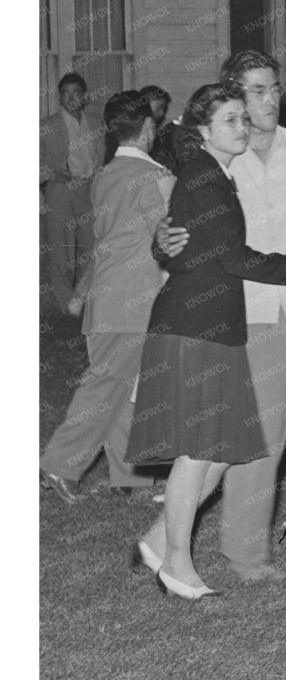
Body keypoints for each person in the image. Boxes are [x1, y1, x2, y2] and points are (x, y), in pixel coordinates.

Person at [130, 82, 286, 599]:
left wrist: (173, 245)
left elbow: (197, 246)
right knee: (202, 449)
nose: (243, 126)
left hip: (219, 323)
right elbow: (230, 257)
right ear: (202, 129)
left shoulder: (214, 172)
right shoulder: (206, 174)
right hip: (200, 325)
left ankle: (160, 543)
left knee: (221, 447)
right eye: (231, 119)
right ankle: (178, 563)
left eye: (243, 118)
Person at [40, 92, 173, 502]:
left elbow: (106, 241)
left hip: (108, 297)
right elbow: (167, 241)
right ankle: (58, 465)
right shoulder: (156, 178)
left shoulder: (105, 175)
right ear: (149, 128)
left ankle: (129, 476)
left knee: (126, 385)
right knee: (107, 385)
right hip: (136, 298)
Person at [42, 71, 101, 311]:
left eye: (76, 92)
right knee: (61, 248)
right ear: (59, 97)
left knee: (91, 243)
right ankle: (65, 303)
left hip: (88, 189)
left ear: (84, 96)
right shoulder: (46, 126)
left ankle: (83, 297)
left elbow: (100, 157)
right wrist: (52, 174)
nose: (70, 98)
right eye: (65, 93)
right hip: (61, 190)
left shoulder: (96, 123)